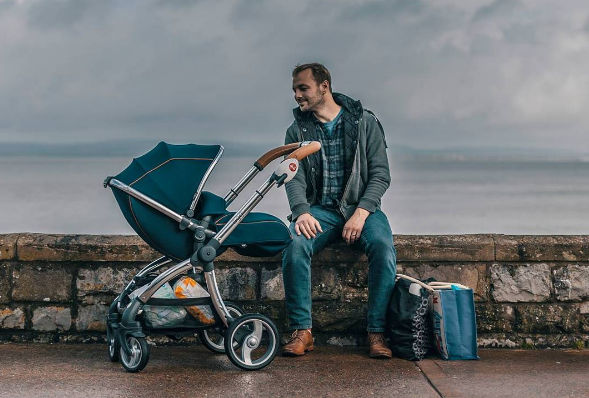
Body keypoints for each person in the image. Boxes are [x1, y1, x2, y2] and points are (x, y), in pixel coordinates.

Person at [281, 63, 397, 359]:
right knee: (294, 244)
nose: (296, 94)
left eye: (302, 88)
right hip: (320, 211)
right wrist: (301, 212)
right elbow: (292, 175)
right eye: (294, 88)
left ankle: (376, 332)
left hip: (362, 209)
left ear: (324, 86)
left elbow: (381, 175)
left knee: (383, 247)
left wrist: (361, 213)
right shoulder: (297, 130)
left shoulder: (364, 122)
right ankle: (302, 331)